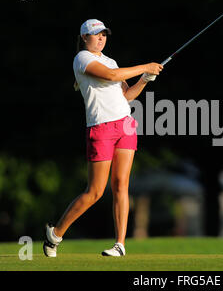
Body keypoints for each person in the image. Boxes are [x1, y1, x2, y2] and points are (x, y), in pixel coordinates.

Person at [43, 19, 163, 257]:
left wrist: (144, 80)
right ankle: (56, 233)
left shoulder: (111, 61)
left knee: (121, 185)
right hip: (101, 128)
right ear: (84, 37)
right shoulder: (83, 59)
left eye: (104, 35)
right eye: (96, 34)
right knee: (95, 191)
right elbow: (110, 76)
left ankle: (120, 244)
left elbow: (127, 96)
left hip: (125, 125)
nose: (101, 38)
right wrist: (145, 66)